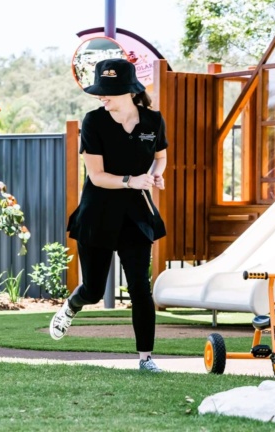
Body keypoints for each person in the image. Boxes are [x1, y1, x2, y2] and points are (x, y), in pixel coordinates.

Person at [54, 58, 168, 373]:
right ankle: (70, 306)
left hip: (136, 216)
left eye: (108, 91)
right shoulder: (93, 122)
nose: (101, 96)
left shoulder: (153, 121)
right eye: (100, 91)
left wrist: (157, 174)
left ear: (129, 91)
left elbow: (161, 157)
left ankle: (146, 358)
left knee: (140, 288)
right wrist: (131, 181)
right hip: (97, 213)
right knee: (92, 289)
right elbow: (96, 176)